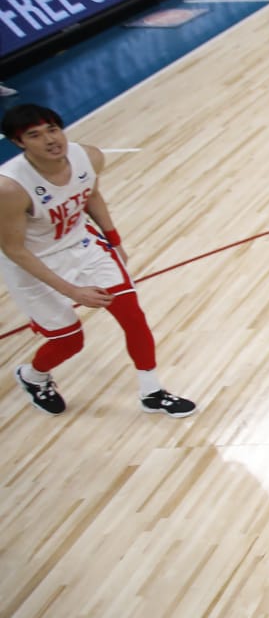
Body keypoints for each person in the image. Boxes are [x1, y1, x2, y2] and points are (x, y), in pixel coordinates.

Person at [1, 103, 197, 417]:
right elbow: (14, 249)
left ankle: (152, 392)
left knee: (133, 316)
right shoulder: (9, 188)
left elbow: (90, 194)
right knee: (69, 341)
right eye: (34, 135)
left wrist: (113, 239)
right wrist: (71, 291)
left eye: (52, 129)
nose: (50, 140)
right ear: (18, 143)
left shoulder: (88, 156)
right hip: (31, 263)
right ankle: (33, 377)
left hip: (81, 244)